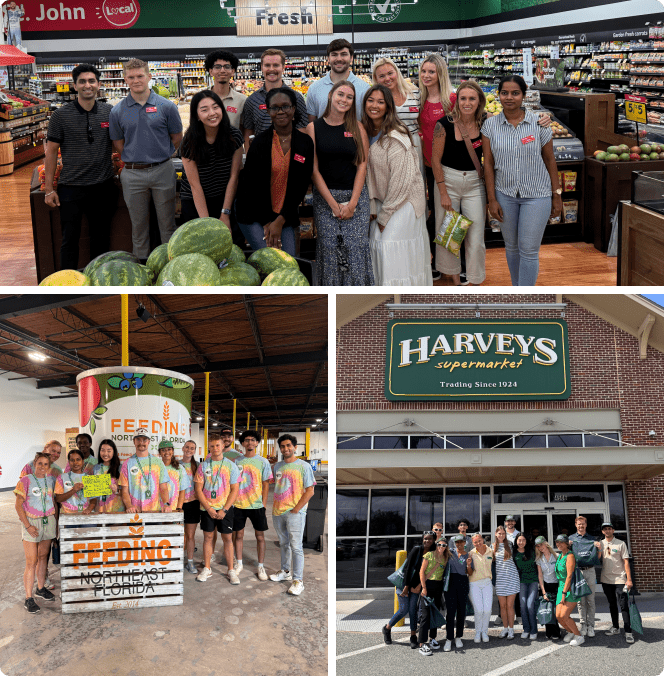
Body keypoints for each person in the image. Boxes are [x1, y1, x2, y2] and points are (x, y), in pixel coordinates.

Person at [482, 75, 562, 285]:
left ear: (523, 96)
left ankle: (525, 294)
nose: (509, 98)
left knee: (528, 249)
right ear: (498, 95)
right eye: (504, 93)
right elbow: (488, 164)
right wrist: (492, 199)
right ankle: (516, 288)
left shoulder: (539, 124)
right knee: (511, 246)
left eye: (515, 93)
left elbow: (550, 160)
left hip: (537, 195)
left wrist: (557, 195)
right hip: (505, 194)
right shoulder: (490, 126)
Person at [43, 63, 116, 271]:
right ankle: (67, 285)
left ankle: (97, 285)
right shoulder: (60, 116)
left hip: (103, 187)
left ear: (99, 84)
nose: (87, 85)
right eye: (82, 81)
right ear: (75, 86)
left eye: (92, 81)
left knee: (101, 241)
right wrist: (49, 189)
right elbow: (51, 153)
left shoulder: (109, 112)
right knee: (69, 241)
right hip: (71, 188)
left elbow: (121, 142)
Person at [109, 58, 183, 261]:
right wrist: (136, 157)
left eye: (140, 76)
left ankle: (171, 264)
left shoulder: (166, 106)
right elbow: (118, 142)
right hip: (132, 174)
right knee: (138, 226)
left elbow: (177, 137)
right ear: (125, 79)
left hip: (163, 170)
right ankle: (142, 266)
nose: (136, 80)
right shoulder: (118, 111)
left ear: (149, 77)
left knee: (167, 224)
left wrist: (161, 154)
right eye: (131, 77)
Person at [363, 84, 431, 286]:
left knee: (390, 248)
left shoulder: (396, 135)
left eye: (380, 102)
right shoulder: (366, 131)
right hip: (385, 201)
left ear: (389, 106)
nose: (374, 105)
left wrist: (384, 215)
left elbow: (402, 181)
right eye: (370, 100)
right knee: (380, 247)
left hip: (405, 203)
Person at [307, 80, 372, 286]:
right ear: (330, 96)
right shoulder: (313, 127)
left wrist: (352, 203)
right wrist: (333, 205)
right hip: (326, 200)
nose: (344, 100)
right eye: (340, 95)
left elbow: (362, 165)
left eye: (349, 97)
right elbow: (314, 170)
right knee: (330, 249)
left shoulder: (357, 127)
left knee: (354, 249)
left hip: (355, 198)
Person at [235, 86, 314, 257]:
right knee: (270, 260)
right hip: (254, 215)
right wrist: (267, 222)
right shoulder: (259, 144)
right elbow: (250, 187)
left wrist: (279, 221)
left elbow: (300, 187)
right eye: (274, 108)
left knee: (289, 261)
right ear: (268, 111)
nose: (280, 112)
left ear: (293, 108)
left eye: (285, 106)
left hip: (284, 215)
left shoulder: (305, 143)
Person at [432, 81, 487, 286]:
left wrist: (542, 117)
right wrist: (443, 192)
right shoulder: (444, 124)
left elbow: (511, 116)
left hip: (474, 182)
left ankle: (475, 278)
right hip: (449, 180)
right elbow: (435, 160)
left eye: (472, 98)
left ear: (479, 100)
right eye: (463, 98)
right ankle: (454, 276)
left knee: (476, 233)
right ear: (457, 101)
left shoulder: (486, 121)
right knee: (449, 232)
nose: (467, 103)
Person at [179, 90, 243, 226]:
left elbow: (234, 177)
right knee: (201, 242)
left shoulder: (234, 136)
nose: (212, 113)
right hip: (195, 200)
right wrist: (207, 224)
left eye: (215, 107)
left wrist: (225, 213)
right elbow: (195, 186)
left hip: (225, 197)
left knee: (231, 240)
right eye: (204, 109)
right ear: (197, 116)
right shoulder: (189, 142)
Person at [419, 54, 456, 278]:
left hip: (449, 166)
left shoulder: (451, 99)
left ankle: (454, 263)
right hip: (429, 167)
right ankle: (436, 262)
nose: (426, 76)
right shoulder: (420, 100)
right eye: (424, 71)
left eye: (431, 72)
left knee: (452, 216)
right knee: (434, 215)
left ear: (440, 73)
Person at [270, 434, 315, 596]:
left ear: (295, 447)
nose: (285, 449)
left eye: (289, 446)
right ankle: (285, 571)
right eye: (282, 446)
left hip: (295, 513)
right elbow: (277, 487)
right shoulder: (277, 466)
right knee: (284, 543)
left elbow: (310, 491)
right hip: (278, 511)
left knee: (296, 547)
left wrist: (297, 509)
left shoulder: (304, 466)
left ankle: (298, 580)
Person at [194, 434, 240, 584]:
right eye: (212, 446)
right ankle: (207, 568)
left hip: (224, 509)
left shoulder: (230, 465)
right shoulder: (203, 466)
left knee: (227, 539)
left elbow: (234, 490)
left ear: (223, 447)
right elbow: (198, 489)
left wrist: (224, 510)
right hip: (207, 509)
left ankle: (231, 570)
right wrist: (208, 508)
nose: (215, 449)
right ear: (209, 447)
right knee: (208, 538)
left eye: (218, 445)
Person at [14, 452, 57, 613]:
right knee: (31, 561)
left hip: (48, 521)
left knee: (42, 557)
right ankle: (28, 597)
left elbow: (54, 501)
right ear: (34, 463)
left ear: (49, 467)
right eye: (40, 463)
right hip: (32, 523)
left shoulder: (51, 480)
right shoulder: (25, 481)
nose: (42, 467)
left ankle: (40, 588)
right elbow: (18, 506)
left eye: (46, 464)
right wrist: (27, 526)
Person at [240, 49, 308, 149]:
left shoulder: (296, 98)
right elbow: (248, 133)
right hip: (262, 157)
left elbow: (302, 130)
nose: (271, 69)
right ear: (262, 67)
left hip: (290, 155)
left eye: (276, 65)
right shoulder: (252, 100)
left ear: (283, 68)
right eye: (267, 65)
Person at [382, 531, 435, 648]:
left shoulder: (433, 553)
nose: (427, 541)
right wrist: (406, 587)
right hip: (404, 585)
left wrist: (420, 586)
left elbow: (428, 572)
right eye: (425, 538)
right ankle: (387, 628)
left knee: (412, 611)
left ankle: (413, 637)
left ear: (433, 540)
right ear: (422, 539)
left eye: (430, 539)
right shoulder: (417, 550)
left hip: (416, 587)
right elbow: (408, 568)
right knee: (403, 610)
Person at [232, 431, 273, 581]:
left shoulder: (263, 462)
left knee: (260, 536)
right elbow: (233, 483)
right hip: (239, 504)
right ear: (242, 444)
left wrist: (263, 503)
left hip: (257, 505)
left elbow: (266, 483)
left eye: (253, 440)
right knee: (239, 536)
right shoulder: (237, 461)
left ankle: (260, 566)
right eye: (246, 440)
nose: (249, 443)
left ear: (257, 443)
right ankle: (239, 563)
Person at [372, 57, 422, 173]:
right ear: (376, 79)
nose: (387, 78)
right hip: (390, 144)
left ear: (397, 73)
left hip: (414, 143)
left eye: (390, 73)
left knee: (416, 181)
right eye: (382, 76)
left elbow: (421, 121)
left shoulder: (415, 92)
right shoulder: (377, 99)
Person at [307, 38, 370, 121]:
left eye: (343, 54)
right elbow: (312, 124)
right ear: (328, 58)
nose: (339, 59)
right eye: (334, 54)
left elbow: (368, 123)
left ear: (351, 58)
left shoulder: (365, 89)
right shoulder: (314, 89)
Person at [118, 428, 171, 513]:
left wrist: (166, 504)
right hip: (134, 512)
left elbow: (163, 487)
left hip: (155, 512)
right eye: (138, 439)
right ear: (134, 441)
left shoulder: (158, 462)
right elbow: (124, 491)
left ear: (149, 442)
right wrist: (129, 506)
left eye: (144, 439)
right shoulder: (127, 463)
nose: (141, 442)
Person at [599, 522, 634, 643]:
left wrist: (629, 579)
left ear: (613, 530)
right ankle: (615, 627)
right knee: (612, 603)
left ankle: (628, 631)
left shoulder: (621, 543)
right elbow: (597, 558)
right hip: (606, 579)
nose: (607, 531)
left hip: (620, 578)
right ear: (603, 532)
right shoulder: (601, 544)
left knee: (623, 604)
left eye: (609, 529)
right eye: (605, 529)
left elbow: (626, 562)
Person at [569, 514, 601, 637]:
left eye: (583, 524)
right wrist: (568, 545)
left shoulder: (592, 539)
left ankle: (591, 625)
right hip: (578, 572)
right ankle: (583, 624)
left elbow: (597, 558)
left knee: (591, 600)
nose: (581, 526)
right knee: (580, 601)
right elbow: (567, 556)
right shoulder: (571, 539)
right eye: (579, 524)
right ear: (576, 525)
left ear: (586, 525)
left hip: (590, 571)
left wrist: (599, 549)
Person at [418, 537, 449, 655]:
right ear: (436, 545)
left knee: (435, 614)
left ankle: (432, 639)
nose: (442, 547)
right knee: (425, 616)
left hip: (438, 587)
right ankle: (421, 643)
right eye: (440, 545)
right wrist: (424, 588)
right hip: (428, 586)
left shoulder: (445, 558)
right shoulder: (429, 555)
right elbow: (422, 572)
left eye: (444, 545)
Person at [204, 49, 247, 130]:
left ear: (232, 71)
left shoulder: (242, 100)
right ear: (211, 71)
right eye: (217, 67)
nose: (222, 70)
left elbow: (243, 130)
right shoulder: (201, 98)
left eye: (227, 67)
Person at [554, 534, 584, 646]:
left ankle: (579, 636)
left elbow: (569, 576)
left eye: (561, 542)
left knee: (565, 615)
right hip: (561, 587)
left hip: (569, 589)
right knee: (558, 616)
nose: (559, 544)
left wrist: (564, 592)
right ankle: (570, 632)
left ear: (567, 543)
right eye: (557, 542)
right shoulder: (561, 555)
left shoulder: (570, 556)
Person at [444, 535, 470, 651]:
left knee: (461, 611)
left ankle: (458, 637)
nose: (459, 544)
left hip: (463, 583)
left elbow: (470, 572)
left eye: (461, 542)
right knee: (450, 612)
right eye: (456, 542)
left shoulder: (468, 555)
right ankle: (449, 638)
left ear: (465, 542)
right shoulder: (449, 553)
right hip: (450, 584)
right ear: (454, 543)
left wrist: (469, 564)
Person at [493, 525, 520, 639]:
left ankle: (511, 629)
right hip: (500, 580)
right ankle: (505, 629)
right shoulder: (492, 546)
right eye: (499, 533)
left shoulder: (510, 544)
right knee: (502, 607)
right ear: (496, 534)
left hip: (511, 578)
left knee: (510, 606)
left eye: (503, 533)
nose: (501, 535)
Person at [467, 533, 493, 643]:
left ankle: (484, 632)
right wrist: (468, 565)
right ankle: (478, 632)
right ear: (473, 543)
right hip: (474, 583)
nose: (478, 543)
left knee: (487, 610)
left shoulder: (490, 551)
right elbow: (469, 572)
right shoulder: (471, 553)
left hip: (487, 582)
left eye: (479, 540)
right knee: (479, 610)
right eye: (475, 542)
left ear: (483, 540)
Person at [180, 439, 200, 574]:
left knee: (191, 535)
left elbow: (202, 486)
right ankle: (179, 560)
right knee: (181, 535)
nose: (189, 450)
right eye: (187, 447)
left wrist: (195, 497)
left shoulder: (198, 466)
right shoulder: (176, 464)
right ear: (183, 448)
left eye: (192, 448)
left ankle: (191, 562)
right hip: (179, 505)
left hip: (193, 504)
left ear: (195, 451)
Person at [535, 536, 561, 640]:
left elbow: (560, 572)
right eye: (538, 546)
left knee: (554, 611)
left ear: (546, 543)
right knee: (546, 610)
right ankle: (548, 631)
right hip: (545, 586)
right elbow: (540, 576)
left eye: (541, 545)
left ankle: (556, 632)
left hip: (556, 585)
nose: (540, 547)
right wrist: (543, 592)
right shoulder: (539, 559)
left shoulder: (556, 556)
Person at [514, 534, 539, 639]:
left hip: (533, 581)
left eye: (523, 540)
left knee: (530, 605)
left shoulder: (532, 552)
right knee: (523, 606)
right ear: (516, 541)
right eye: (519, 540)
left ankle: (534, 630)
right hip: (522, 582)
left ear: (526, 541)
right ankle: (526, 629)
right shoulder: (514, 554)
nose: (521, 542)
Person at [55, 449, 95, 514]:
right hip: (67, 515)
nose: (75, 463)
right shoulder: (62, 477)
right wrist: (74, 490)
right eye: (72, 460)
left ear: (83, 461)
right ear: (69, 462)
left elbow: (93, 499)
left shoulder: (89, 478)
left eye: (78, 459)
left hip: (86, 515)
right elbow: (58, 499)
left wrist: (89, 509)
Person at [157, 440, 191, 513]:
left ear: (173, 451)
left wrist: (178, 508)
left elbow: (182, 490)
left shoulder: (179, 468)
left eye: (169, 449)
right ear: (159, 453)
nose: (166, 452)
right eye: (163, 450)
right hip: (157, 508)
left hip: (173, 508)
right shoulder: (156, 468)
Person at [93, 439, 124, 513]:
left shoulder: (120, 468)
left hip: (117, 508)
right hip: (100, 508)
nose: (105, 453)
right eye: (102, 450)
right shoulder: (96, 468)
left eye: (109, 451)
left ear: (114, 452)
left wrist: (116, 490)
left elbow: (126, 491)